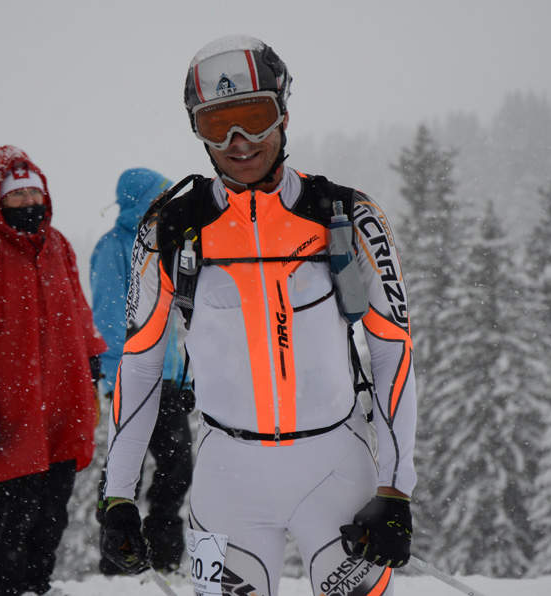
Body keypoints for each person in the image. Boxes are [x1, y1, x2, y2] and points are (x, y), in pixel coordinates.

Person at [99, 35, 418, 596]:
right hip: (226, 481)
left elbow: (393, 351)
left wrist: (395, 489)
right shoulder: (168, 230)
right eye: (216, 124)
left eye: (254, 117)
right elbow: (141, 364)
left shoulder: (347, 215)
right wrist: (119, 494)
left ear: (284, 113)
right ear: (197, 130)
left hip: (338, 470)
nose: (238, 141)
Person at [0, 145, 107, 596]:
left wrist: (92, 370)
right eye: (17, 194)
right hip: (13, 409)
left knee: (53, 509)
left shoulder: (58, 246)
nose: (28, 201)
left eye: (33, 192)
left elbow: (78, 311)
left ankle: (35, 588)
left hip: (63, 399)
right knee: (15, 511)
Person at [90, 168, 194, 574]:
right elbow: (109, 317)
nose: (166, 203)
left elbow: (182, 318)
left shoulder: (166, 242)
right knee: (124, 470)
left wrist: (186, 376)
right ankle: (119, 560)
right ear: (140, 201)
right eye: (158, 196)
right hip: (132, 376)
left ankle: (164, 560)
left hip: (168, 378)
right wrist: (119, 374)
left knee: (177, 468)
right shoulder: (113, 247)